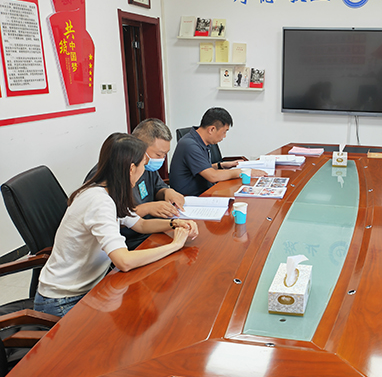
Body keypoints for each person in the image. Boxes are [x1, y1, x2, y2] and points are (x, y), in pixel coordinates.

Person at [34, 133, 198, 317]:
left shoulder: (107, 191)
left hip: (91, 289)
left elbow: (141, 224)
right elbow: (124, 261)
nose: (145, 171)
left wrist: (175, 223)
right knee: (135, 319)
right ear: (131, 169)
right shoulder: (99, 202)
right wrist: (175, 245)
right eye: (143, 165)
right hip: (63, 301)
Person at [86, 118, 185, 250]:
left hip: (148, 229)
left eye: (165, 155)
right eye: (159, 154)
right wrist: (147, 208)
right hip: (125, 241)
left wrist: (168, 192)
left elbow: (157, 188)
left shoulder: (146, 166)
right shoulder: (107, 179)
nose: (161, 159)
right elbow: (113, 219)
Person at [169, 107, 267, 196]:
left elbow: (201, 168)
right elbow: (212, 176)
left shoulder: (199, 140)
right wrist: (243, 172)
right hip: (191, 198)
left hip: (207, 191)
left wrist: (221, 165)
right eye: (224, 132)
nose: (224, 136)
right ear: (211, 129)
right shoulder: (190, 145)